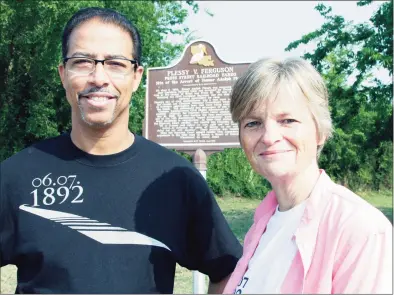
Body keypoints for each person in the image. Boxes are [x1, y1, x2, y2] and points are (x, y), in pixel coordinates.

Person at [0, 7, 242, 294]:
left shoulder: (174, 179)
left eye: (115, 63)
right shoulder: (16, 176)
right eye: (83, 61)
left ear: (136, 76)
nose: (99, 77)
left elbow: (228, 273)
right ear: (64, 74)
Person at [222, 57, 392, 294]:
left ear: (320, 131)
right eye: (253, 123)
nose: (269, 136)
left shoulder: (359, 229)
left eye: (287, 120)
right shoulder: (263, 223)